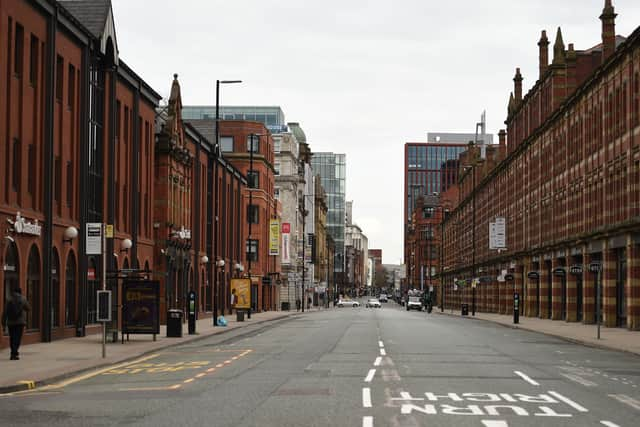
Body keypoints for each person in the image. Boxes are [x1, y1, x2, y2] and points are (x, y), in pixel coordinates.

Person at [2, 286, 31, 360]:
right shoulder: (23, 299)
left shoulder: (9, 299)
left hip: (10, 322)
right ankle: (14, 353)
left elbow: (5, 312)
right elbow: (28, 308)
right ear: (20, 292)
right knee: (17, 338)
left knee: (12, 338)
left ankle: (13, 352)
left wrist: (3, 323)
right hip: (20, 322)